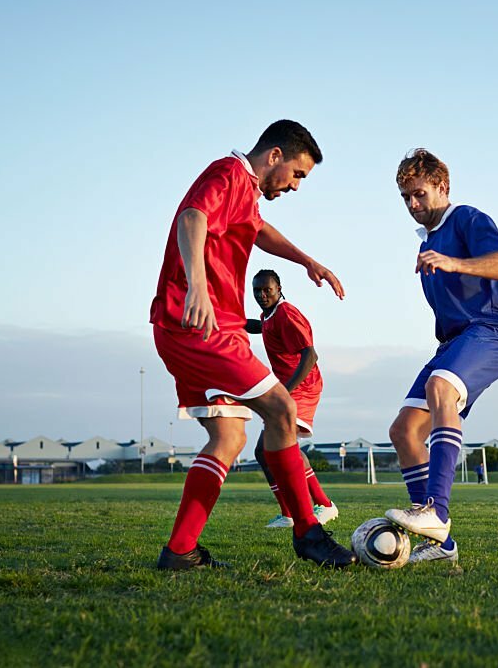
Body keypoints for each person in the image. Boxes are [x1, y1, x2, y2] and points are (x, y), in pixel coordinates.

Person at [150, 120, 356, 570]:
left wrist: (307, 261)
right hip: (200, 326)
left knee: (229, 437)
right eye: (298, 174)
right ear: (275, 156)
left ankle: (180, 552)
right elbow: (192, 218)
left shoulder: (245, 192)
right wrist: (198, 288)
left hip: (195, 326)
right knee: (282, 410)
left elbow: (258, 230)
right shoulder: (227, 173)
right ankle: (308, 532)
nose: (296, 186)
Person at [384, 148, 498, 565]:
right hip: (457, 342)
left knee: (440, 386)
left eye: (419, 194)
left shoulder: (466, 218)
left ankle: (436, 513)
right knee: (405, 432)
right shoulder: (428, 240)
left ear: (442, 188)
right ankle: (441, 546)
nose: (412, 205)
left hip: (495, 331)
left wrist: (452, 262)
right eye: (406, 197)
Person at [245, 269, 338, 529]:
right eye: (257, 291)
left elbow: (310, 355)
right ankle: (288, 513)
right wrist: (234, 323)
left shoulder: (287, 313)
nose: (262, 295)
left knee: (281, 448)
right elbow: (260, 326)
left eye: (267, 290)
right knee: (265, 452)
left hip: (302, 386)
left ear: (279, 288)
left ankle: (324, 505)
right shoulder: (270, 315)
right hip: (288, 388)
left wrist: (285, 391)